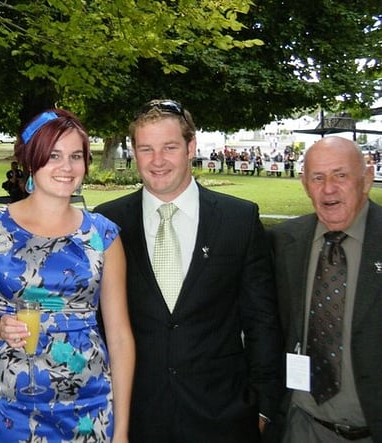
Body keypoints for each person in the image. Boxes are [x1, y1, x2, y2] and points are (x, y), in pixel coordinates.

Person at [95, 99, 283, 442]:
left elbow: (262, 321)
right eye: (146, 149)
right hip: (136, 417)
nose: (157, 161)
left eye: (169, 147)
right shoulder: (108, 223)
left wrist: (264, 407)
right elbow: (95, 322)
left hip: (223, 418)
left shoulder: (238, 220)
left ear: (190, 147)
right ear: (134, 152)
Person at [0, 109, 134, 442]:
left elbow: (119, 336)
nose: (67, 167)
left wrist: (122, 431)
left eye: (76, 156)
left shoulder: (103, 235)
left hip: (90, 405)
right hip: (11, 405)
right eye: (54, 155)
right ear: (32, 162)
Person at [268, 136, 381, 442]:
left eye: (340, 175)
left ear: (367, 179)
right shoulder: (283, 242)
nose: (328, 188)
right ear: (305, 184)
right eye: (317, 177)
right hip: (300, 425)